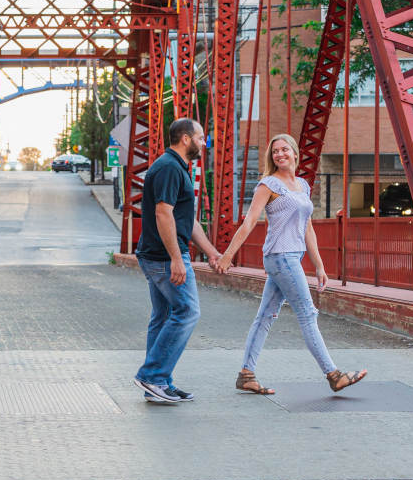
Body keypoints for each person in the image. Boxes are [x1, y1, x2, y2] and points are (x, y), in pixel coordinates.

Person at [216, 133, 367, 394]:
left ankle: (246, 374)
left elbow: (308, 228)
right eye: (275, 151)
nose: (280, 154)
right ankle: (333, 375)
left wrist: (319, 266)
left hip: (291, 257)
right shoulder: (268, 185)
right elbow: (250, 221)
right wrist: (228, 254)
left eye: (284, 149)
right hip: (280, 256)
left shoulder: (303, 186)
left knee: (265, 316)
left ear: (295, 153)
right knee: (307, 315)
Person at [134, 118, 223, 405]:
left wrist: (211, 252)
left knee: (163, 317)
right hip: (163, 257)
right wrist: (176, 258)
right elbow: (163, 214)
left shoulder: (174, 167)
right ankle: (152, 376)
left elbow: (187, 219)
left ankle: (158, 383)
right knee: (187, 312)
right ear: (185, 139)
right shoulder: (170, 167)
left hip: (157, 254)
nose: (203, 143)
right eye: (201, 138)